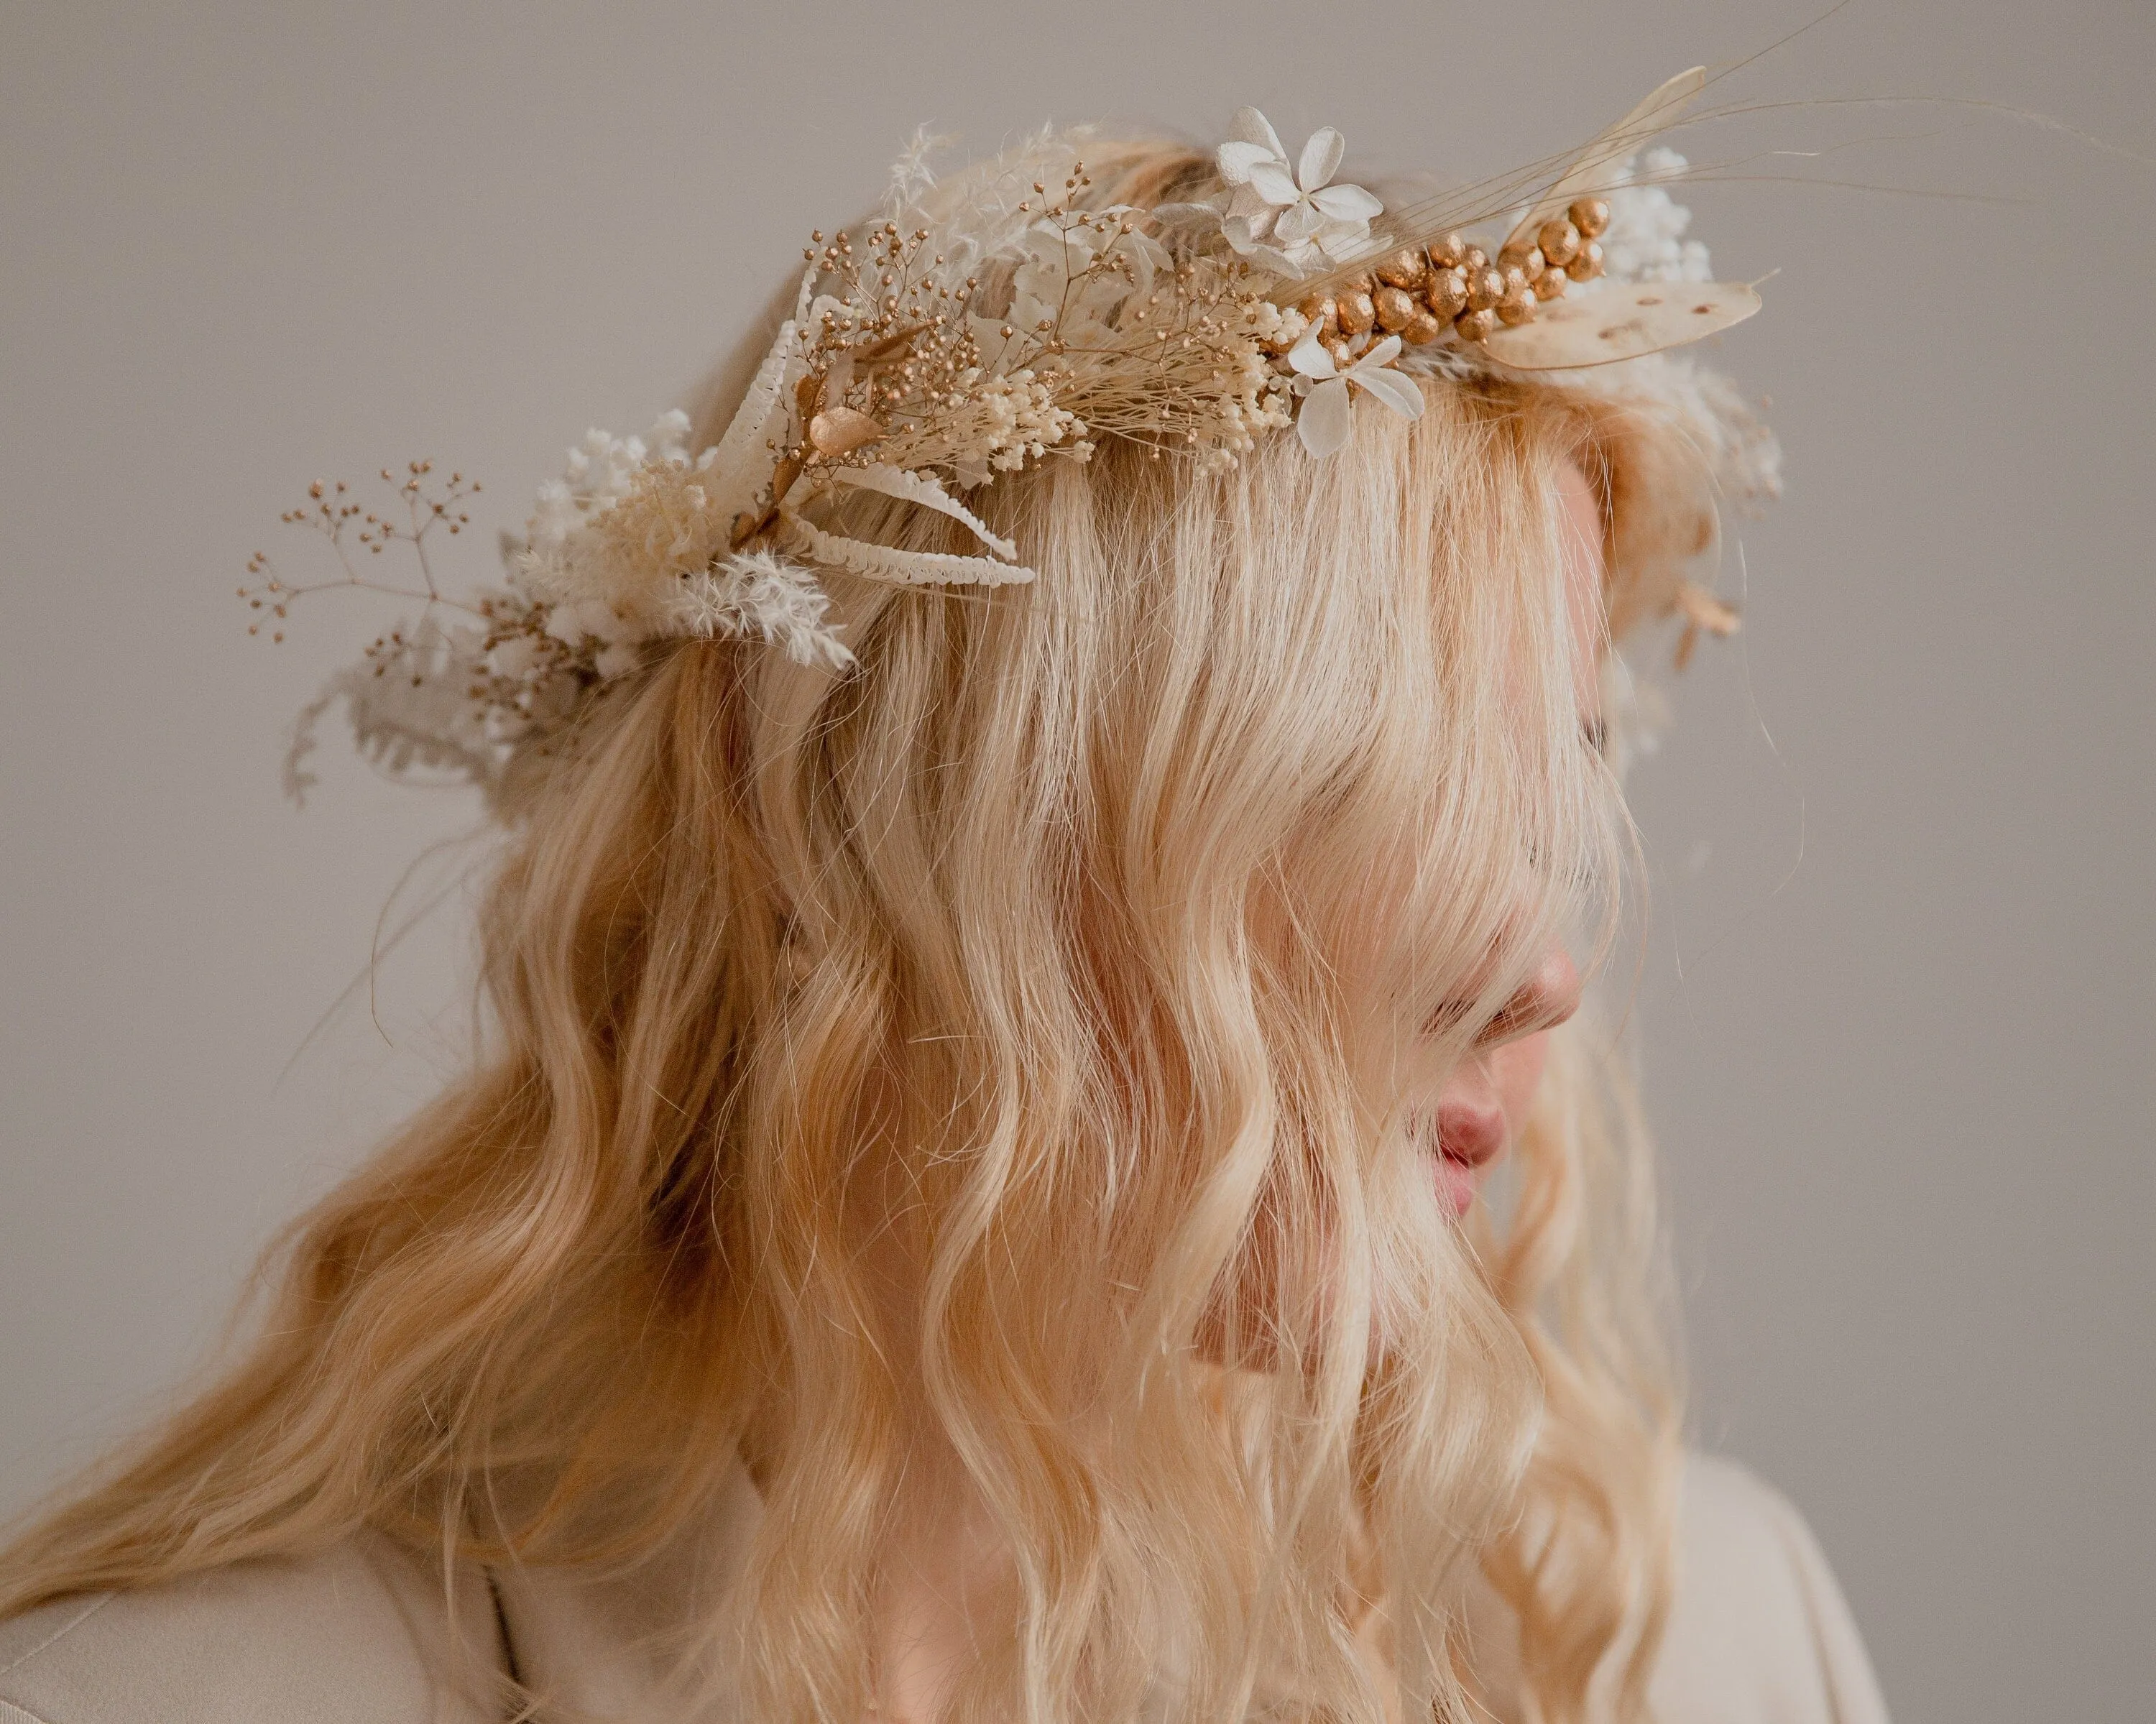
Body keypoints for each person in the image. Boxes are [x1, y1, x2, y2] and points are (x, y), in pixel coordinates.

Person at [0, 85, 1889, 1724]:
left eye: (1557, 785)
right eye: (1362, 789)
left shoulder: (1697, 1645)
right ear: (853, 841)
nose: (1538, 970)